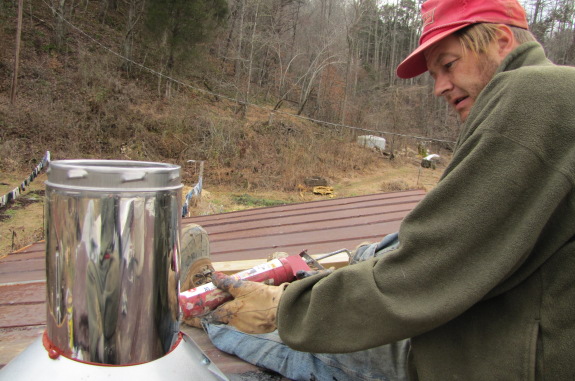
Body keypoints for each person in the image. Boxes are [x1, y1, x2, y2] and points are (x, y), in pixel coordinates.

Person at [181, 0, 575, 379]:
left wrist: (284, 308)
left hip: (492, 356)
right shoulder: (553, 96)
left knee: (258, 327)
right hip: (509, 316)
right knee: (392, 243)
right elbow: (457, 235)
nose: (439, 87)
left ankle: (199, 308)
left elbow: (429, 268)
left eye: (448, 65)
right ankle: (346, 266)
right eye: (435, 74)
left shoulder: (532, 95)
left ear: (502, 42)